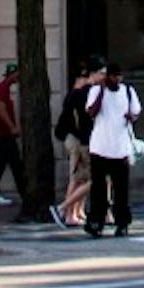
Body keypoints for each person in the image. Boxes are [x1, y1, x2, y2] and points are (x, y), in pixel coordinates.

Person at [84, 60, 142, 237]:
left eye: (118, 76)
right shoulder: (95, 91)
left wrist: (131, 116)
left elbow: (136, 113)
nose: (116, 79)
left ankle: (122, 222)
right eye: (112, 76)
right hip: (100, 146)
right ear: (106, 77)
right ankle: (96, 221)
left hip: (120, 147)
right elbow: (91, 112)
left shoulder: (128, 91)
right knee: (98, 189)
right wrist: (101, 91)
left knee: (121, 189)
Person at [53, 58, 96, 228]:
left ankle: (76, 211)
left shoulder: (75, 95)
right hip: (76, 139)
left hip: (76, 138)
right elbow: (77, 120)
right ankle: (69, 212)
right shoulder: (78, 96)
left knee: (81, 177)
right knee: (77, 178)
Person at [0, 61, 23, 206]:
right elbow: (1, 110)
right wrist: (12, 127)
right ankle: (23, 193)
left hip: (5, 134)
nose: (18, 77)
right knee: (13, 164)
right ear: (13, 74)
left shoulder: (4, 88)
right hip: (4, 134)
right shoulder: (2, 89)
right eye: (17, 74)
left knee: (2, 164)